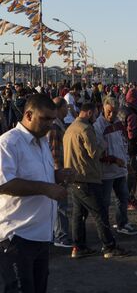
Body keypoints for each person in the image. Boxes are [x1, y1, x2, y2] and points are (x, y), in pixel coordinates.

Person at [0, 94, 72, 293]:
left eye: (53, 119)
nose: (50, 124)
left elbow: (39, 176)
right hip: (17, 238)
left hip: (41, 237)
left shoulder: (42, 142)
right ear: (28, 115)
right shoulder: (8, 143)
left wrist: (58, 176)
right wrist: (46, 188)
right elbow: (4, 183)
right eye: (46, 119)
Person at [63, 102, 130, 258]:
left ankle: (78, 247)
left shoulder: (71, 128)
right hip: (87, 177)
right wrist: (103, 145)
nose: (96, 117)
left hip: (74, 178)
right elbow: (94, 153)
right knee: (100, 213)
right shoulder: (86, 129)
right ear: (89, 113)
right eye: (95, 114)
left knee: (78, 215)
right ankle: (109, 246)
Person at [94, 96, 137, 235]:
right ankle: (104, 227)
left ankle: (122, 223)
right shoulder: (98, 126)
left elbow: (123, 143)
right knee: (105, 202)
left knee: (123, 198)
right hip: (106, 171)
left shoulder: (118, 123)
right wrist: (114, 160)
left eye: (114, 112)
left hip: (120, 169)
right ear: (103, 108)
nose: (111, 115)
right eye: (109, 111)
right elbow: (98, 152)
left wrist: (127, 162)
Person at [48, 97, 73, 248]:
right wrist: (60, 174)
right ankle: (61, 236)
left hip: (54, 170)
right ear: (60, 109)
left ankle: (55, 235)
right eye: (66, 108)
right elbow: (55, 153)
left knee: (56, 206)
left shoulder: (56, 125)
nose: (67, 111)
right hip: (57, 171)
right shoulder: (55, 127)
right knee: (60, 206)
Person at [117, 88, 137, 209]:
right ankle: (128, 199)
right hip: (129, 147)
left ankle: (127, 198)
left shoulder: (120, 109)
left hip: (119, 144)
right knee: (133, 173)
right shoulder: (131, 114)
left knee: (126, 173)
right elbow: (132, 134)